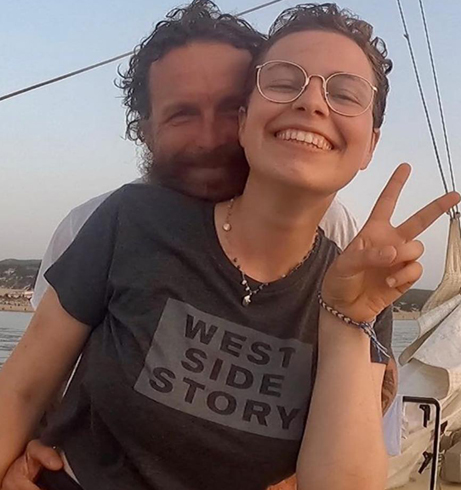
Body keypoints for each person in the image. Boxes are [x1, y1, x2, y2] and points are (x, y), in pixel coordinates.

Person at [0, 2, 438, 489]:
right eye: (284, 82)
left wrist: (348, 321)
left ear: (371, 144)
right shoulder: (126, 220)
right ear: (247, 120)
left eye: (345, 93)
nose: (313, 103)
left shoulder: (359, 275)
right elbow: (23, 389)